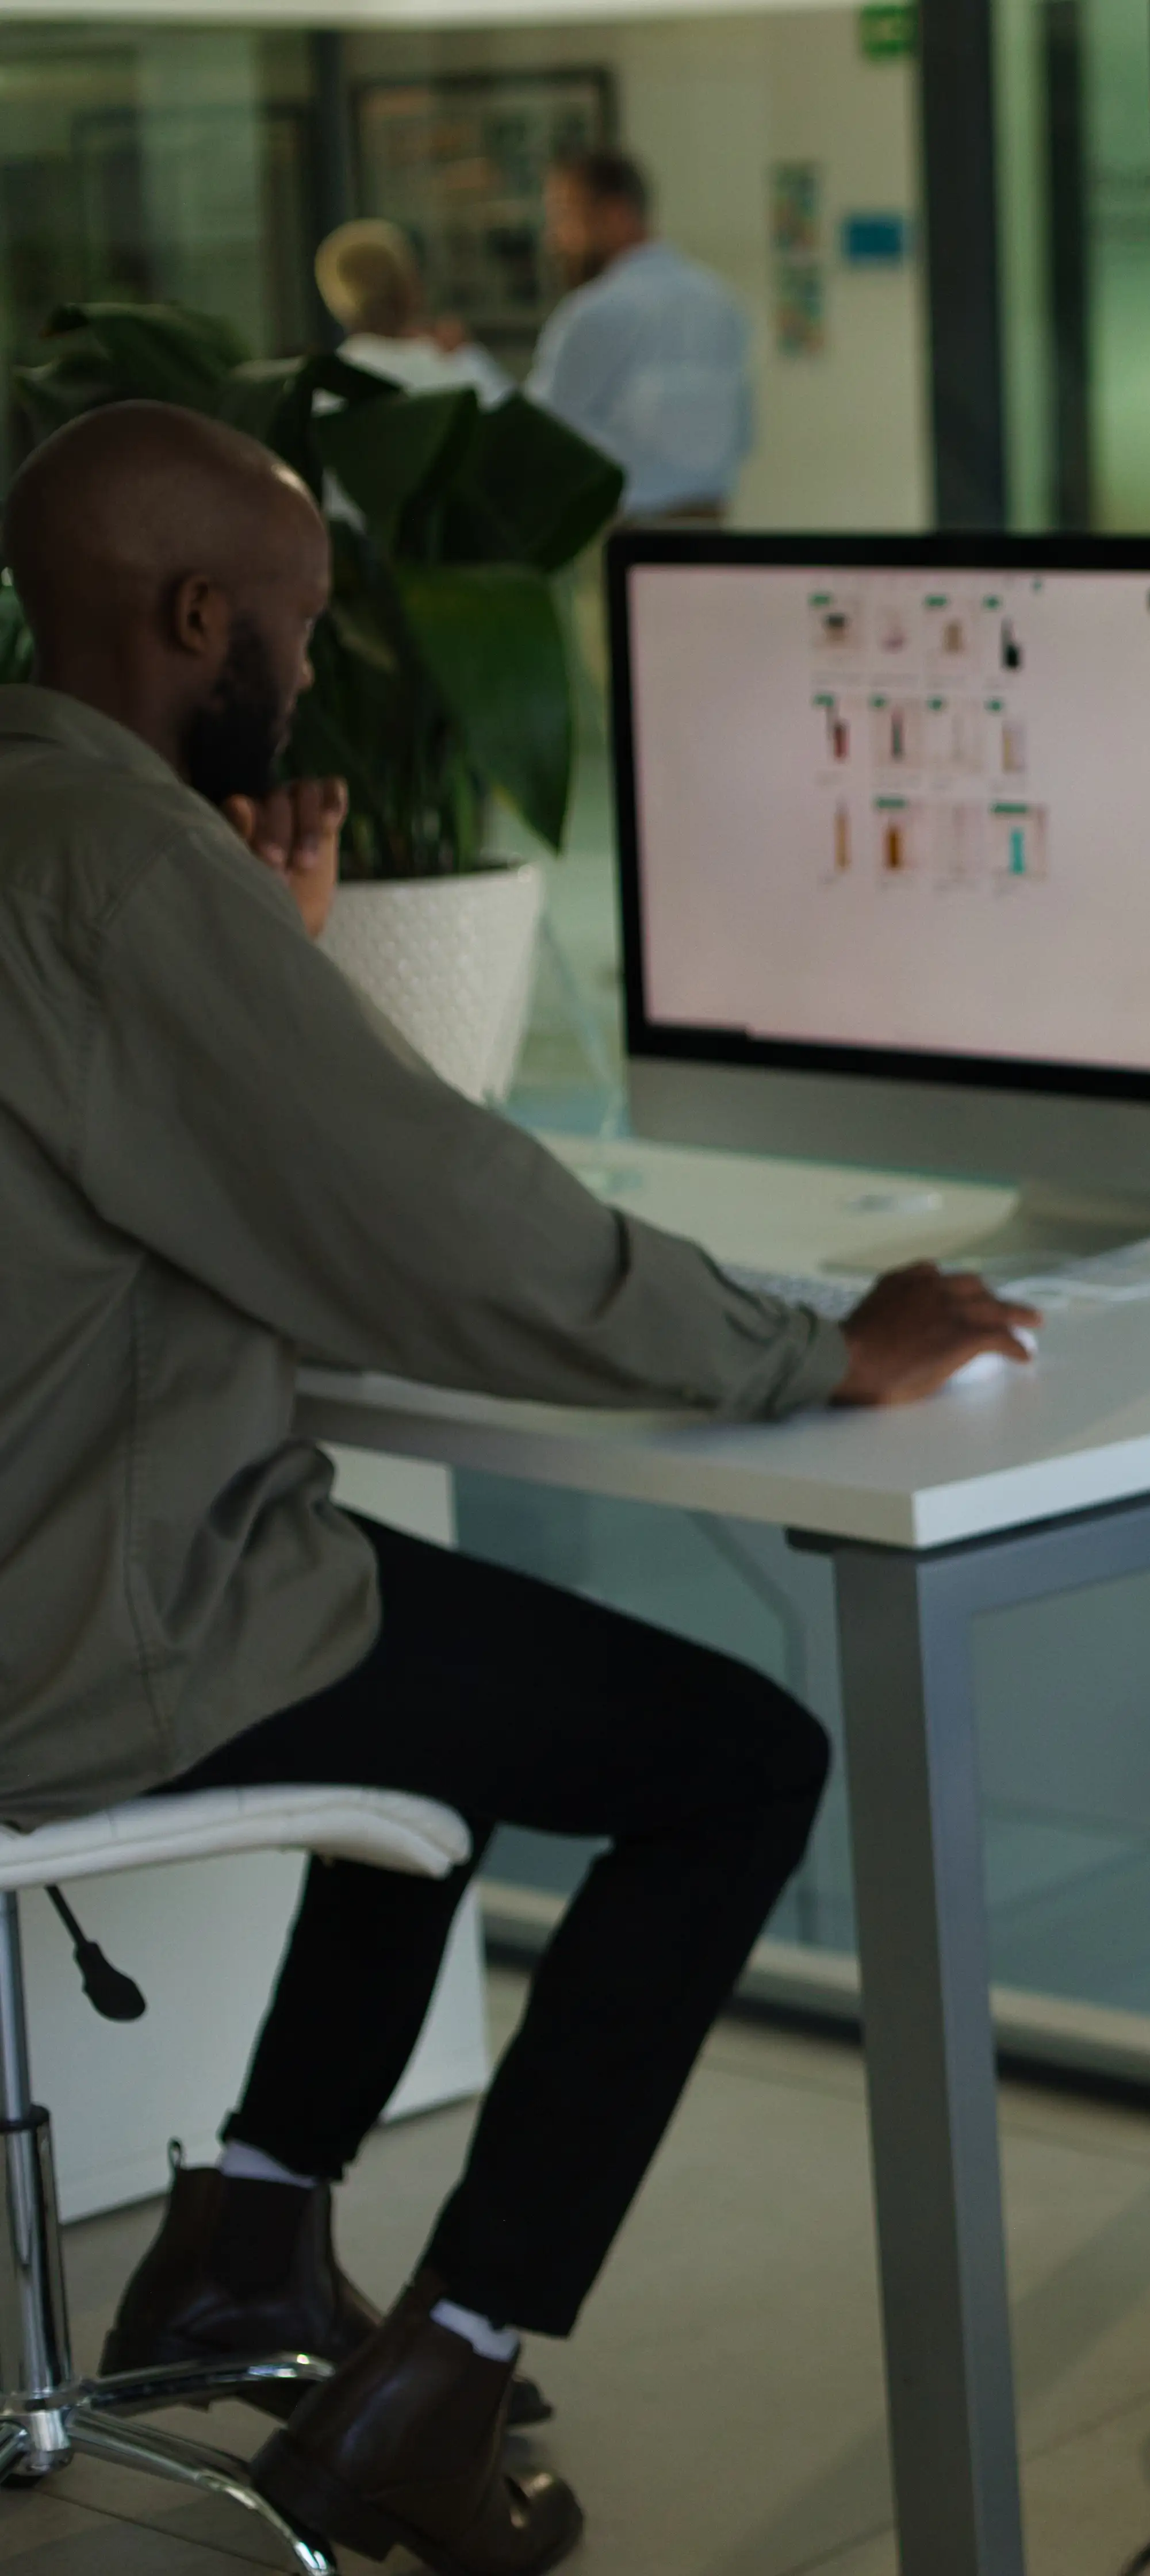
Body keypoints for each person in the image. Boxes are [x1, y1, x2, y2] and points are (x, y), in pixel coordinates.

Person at [0, 401, 1034, 2575]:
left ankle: (254, 2239)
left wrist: (261, 981)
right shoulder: (109, 871)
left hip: (58, 1568)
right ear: (200, 619)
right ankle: (438, 2379)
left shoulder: (45, 832)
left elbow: (185, 1174)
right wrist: (801, 1342)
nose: (299, 667)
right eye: (284, 625)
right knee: (732, 1758)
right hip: (84, 1629)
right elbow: (429, 1221)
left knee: (440, 1687)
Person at [526, 146, 749, 524]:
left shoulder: (596, 313)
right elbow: (742, 433)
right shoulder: (720, 301)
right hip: (709, 529)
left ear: (616, 216)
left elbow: (538, 433)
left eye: (565, 219)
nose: (554, 239)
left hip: (627, 534)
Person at [313, 218, 512, 402]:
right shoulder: (454, 365)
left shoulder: (328, 387)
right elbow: (521, 427)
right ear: (408, 285)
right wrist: (468, 353)